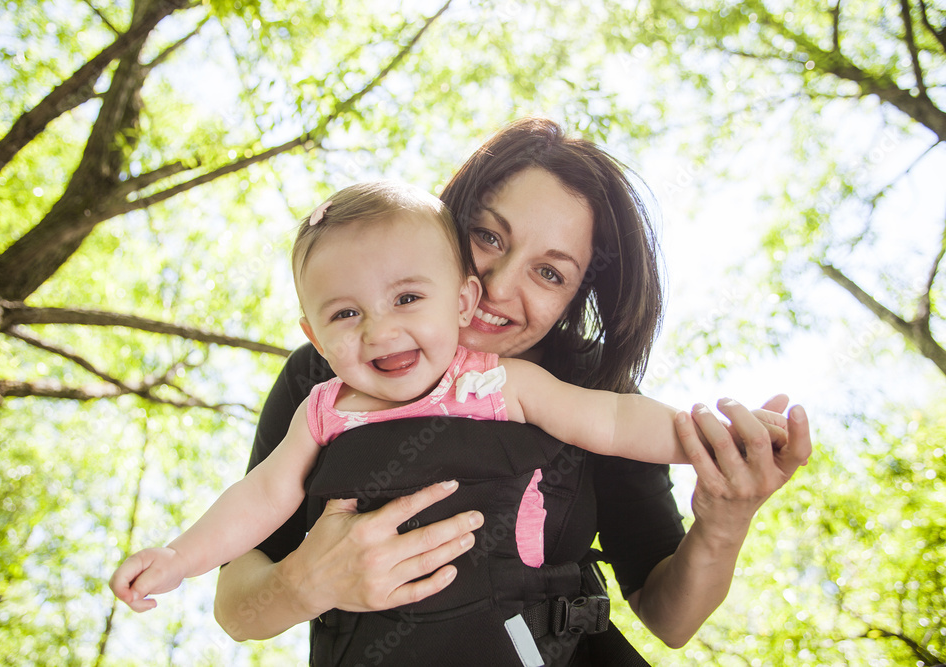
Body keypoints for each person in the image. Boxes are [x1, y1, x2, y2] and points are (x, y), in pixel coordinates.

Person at [212, 118, 812, 663]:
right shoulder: (325, 381)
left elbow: (671, 618)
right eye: (489, 237)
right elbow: (235, 606)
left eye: (549, 272)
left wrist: (728, 516)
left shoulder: (592, 389)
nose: (497, 287)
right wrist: (304, 584)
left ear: (575, 299)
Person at [109, 181, 785, 614]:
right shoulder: (322, 405)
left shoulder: (497, 381)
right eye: (345, 315)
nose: (380, 327)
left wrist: (718, 441)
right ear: (314, 334)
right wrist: (179, 557)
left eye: (549, 270)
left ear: (452, 296)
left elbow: (608, 420)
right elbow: (260, 498)